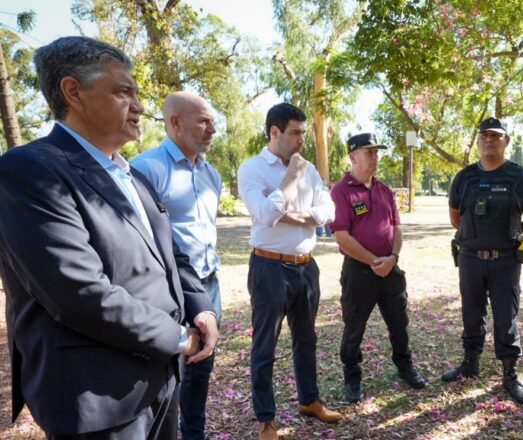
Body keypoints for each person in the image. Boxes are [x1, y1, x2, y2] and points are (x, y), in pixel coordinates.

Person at [0, 36, 219, 439]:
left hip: (160, 383)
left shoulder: (132, 175)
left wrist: (200, 306)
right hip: (97, 397)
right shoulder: (29, 171)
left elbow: (171, 253)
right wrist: (177, 338)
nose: (139, 106)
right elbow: (77, 291)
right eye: (124, 92)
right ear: (73, 91)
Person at [237, 103, 342, 440]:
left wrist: (290, 211)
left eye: (303, 132)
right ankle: (266, 419)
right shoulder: (252, 169)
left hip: (306, 268)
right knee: (264, 345)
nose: (301, 140)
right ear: (274, 132)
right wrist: (292, 179)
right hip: (269, 266)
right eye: (295, 132)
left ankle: (309, 401)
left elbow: (328, 211)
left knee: (306, 339)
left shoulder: (309, 168)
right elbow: (265, 214)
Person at [131, 91, 223, 440]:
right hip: (167, 291)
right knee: (164, 373)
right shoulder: (146, 169)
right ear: (174, 123)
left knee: (201, 366)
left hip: (208, 285)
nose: (212, 129)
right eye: (204, 121)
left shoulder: (210, 174)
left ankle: (194, 435)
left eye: (213, 121)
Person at [441, 117, 523, 404]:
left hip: (506, 260)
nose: (489, 140)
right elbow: (455, 219)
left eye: (496, 136)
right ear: (478, 140)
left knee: (506, 317)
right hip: (470, 258)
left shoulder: (521, 176)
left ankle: (510, 375)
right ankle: (470, 364)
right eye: (484, 135)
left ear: (506, 141)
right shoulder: (464, 177)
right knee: (471, 312)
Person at [330, 133, 427, 403]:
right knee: (354, 328)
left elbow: (397, 228)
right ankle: (352, 378)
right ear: (352, 156)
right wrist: (374, 261)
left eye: (376, 152)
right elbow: (342, 237)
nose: (375, 157)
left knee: (399, 324)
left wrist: (393, 257)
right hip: (359, 272)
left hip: (390, 269)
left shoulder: (384, 189)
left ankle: (405, 366)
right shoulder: (341, 191)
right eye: (368, 152)